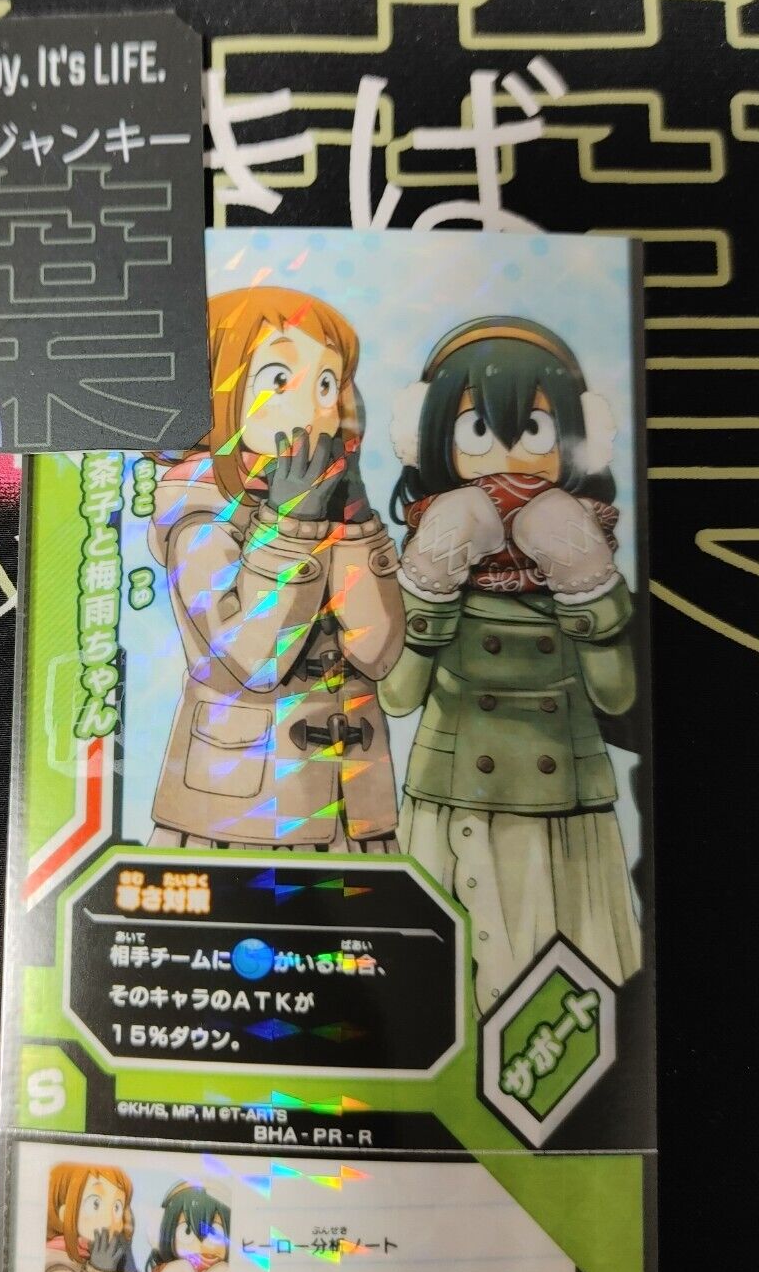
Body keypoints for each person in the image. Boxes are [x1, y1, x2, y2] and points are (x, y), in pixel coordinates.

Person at [380, 316, 642, 1012]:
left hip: (565, 814)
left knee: (569, 997)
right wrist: (429, 580)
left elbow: (617, 695)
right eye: (476, 431)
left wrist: (585, 580)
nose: (508, 458)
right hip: (453, 802)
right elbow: (397, 695)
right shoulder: (428, 544)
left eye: (534, 429)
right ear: (431, 440)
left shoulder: (591, 546)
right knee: (445, 1003)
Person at [148, 285, 405, 850]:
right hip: (241, 818)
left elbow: (379, 653)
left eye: (326, 384)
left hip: (354, 809)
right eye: (279, 380)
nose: (314, 408)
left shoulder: (325, 492)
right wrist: (291, 533)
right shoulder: (198, 510)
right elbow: (251, 661)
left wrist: (356, 525)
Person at [43, 1163, 150, 1272]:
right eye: (95, 1204)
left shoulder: (106, 1256)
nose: (110, 1220)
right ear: (64, 1211)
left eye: (117, 1207)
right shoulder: (56, 1270)